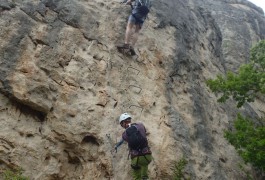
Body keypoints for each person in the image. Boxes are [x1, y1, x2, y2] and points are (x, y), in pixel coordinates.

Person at [114, 113, 152, 180]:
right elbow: (144, 133)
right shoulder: (140, 125)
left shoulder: (125, 134)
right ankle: (145, 177)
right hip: (147, 156)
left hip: (136, 159)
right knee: (145, 176)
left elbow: (122, 141)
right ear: (130, 120)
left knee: (136, 176)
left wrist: (116, 146)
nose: (122, 126)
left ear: (123, 122)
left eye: (121, 124)